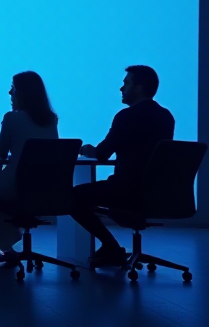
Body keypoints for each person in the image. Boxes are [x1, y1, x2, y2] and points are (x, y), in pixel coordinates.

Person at [71, 65, 174, 266]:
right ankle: (111, 248)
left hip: (126, 190)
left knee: (73, 197)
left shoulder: (126, 117)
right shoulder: (166, 116)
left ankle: (110, 245)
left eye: (126, 83)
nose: (121, 88)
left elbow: (102, 153)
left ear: (138, 88)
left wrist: (88, 149)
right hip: (157, 193)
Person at [0, 71, 59, 264]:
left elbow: (1, 152)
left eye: (13, 88)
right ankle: (3, 246)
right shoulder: (51, 119)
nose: (9, 92)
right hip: (44, 187)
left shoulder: (12, 118)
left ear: (22, 92)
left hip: (15, 184)